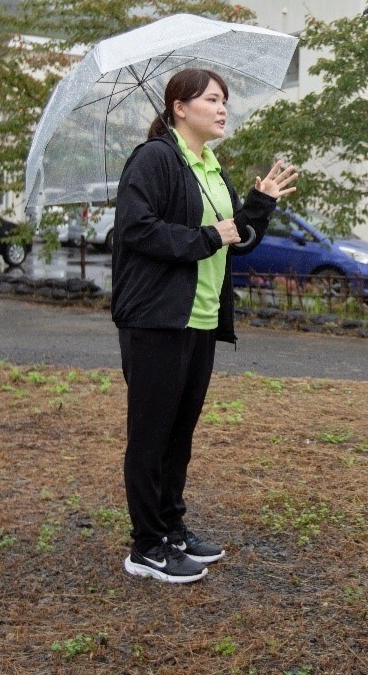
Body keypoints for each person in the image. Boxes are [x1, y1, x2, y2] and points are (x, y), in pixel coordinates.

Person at [111, 67, 297, 584]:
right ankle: (146, 546)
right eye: (212, 100)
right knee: (151, 435)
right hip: (156, 318)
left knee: (179, 432)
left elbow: (238, 238)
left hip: (200, 317)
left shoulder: (211, 166)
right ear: (180, 107)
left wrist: (260, 204)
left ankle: (171, 529)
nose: (222, 109)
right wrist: (207, 237)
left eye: (224, 101)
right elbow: (136, 228)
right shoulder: (154, 159)